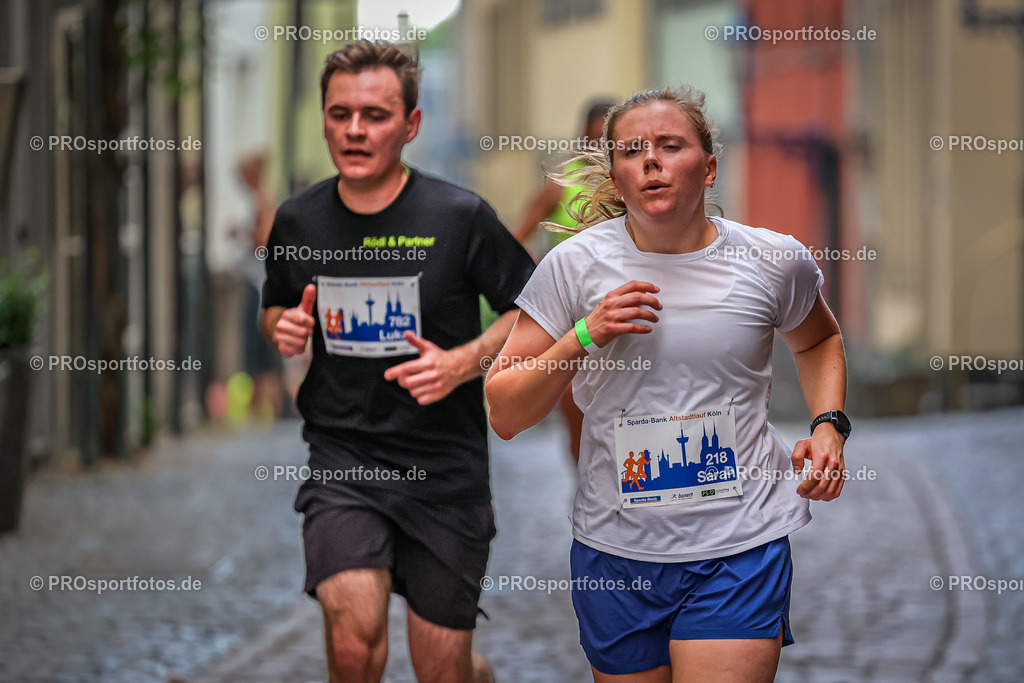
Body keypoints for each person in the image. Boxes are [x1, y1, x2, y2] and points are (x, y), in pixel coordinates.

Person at [485, 86, 850, 682]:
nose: (650, 160)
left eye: (669, 145)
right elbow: (504, 411)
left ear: (708, 168)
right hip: (617, 553)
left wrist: (828, 424)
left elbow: (817, 339)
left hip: (740, 544)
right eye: (632, 150)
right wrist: (584, 334)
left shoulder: (771, 260)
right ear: (616, 173)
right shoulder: (573, 267)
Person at [260, 41, 535, 683]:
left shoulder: (459, 216)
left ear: (410, 125)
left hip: (444, 469)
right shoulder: (298, 221)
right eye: (340, 113)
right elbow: (274, 309)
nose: (354, 129)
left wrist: (463, 362)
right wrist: (286, 326)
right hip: (344, 460)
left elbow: (536, 312)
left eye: (375, 115)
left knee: (443, 671)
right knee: (354, 646)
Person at [511, 100, 614, 464]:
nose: (601, 150)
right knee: (575, 403)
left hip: (621, 314)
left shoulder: (635, 194)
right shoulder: (560, 188)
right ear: (582, 141)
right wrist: (537, 278)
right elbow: (513, 242)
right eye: (593, 140)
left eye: (610, 142)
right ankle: (584, 476)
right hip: (573, 321)